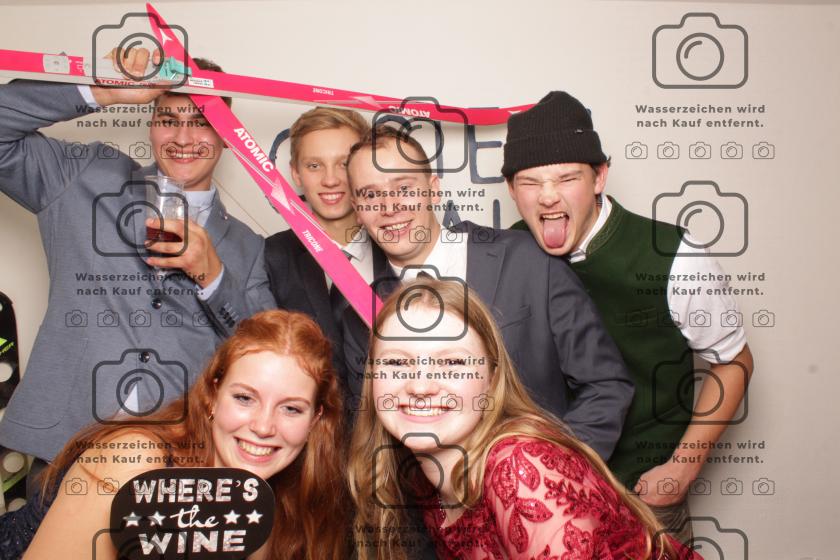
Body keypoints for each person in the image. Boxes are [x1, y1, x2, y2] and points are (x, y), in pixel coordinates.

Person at [0, 47, 275, 476]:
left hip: (175, 459)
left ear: (226, 135)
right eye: (168, 119)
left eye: (201, 121)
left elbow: (263, 353)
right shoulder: (85, 175)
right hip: (61, 446)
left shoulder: (249, 247)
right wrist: (104, 92)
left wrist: (213, 275)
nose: (183, 138)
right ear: (150, 123)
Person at [503, 91, 754, 543]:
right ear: (510, 189)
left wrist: (682, 468)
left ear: (599, 177)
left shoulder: (672, 255)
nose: (548, 196)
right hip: (542, 496)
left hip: (641, 493)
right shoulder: (509, 252)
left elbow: (734, 362)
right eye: (530, 182)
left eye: (567, 178)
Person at [349, 279, 702, 560]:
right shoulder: (423, 476)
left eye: (452, 363)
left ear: (492, 380)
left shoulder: (521, 468)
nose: (420, 386)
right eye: (396, 363)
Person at [341, 125, 634, 461]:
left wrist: (553, 472)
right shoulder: (359, 313)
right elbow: (374, 436)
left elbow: (605, 385)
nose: (389, 206)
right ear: (357, 208)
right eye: (370, 195)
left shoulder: (526, 259)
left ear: (433, 190)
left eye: (404, 188)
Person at [0, 309, 350, 559]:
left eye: (291, 409)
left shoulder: (291, 507)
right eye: (244, 398)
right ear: (212, 395)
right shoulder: (135, 461)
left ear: (315, 419)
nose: (263, 427)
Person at [264, 107, 386, 386]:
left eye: (344, 164)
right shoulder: (272, 256)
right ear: (295, 173)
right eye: (314, 166)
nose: (330, 180)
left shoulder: (399, 250)